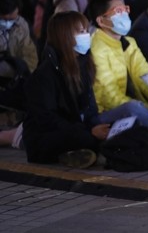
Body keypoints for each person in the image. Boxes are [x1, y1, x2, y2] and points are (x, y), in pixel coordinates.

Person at [22, 12, 109, 168]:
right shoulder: (45, 74)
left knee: (112, 131)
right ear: (65, 36)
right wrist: (88, 131)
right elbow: (47, 119)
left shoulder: (83, 64)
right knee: (87, 139)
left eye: (86, 31)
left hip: (74, 127)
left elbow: (89, 107)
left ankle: (78, 153)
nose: (86, 35)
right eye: (81, 32)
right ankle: (75, 153)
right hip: (44, 138)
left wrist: (95, 126)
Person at [87, 0, 148, 144]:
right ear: (101, 21)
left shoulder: (128, 42)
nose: (124, 15)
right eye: (117, 11)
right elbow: (108, 97)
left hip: (126, 103)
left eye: (124, 9)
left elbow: (145, 75)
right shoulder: (96, 48)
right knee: (135, 108)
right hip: (103, 113)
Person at [0, 0, 38, 111]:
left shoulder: (20, 25)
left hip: (15, 82)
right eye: (5, 20)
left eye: (13, 19)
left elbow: (29, 54)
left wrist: (26, 78)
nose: (9, 23)